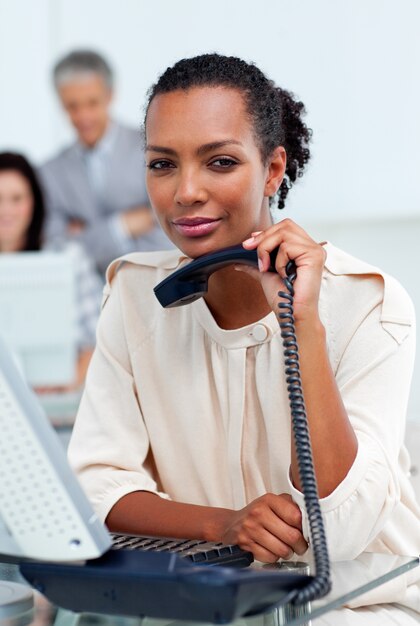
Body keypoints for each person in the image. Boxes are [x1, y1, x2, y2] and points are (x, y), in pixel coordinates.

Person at [68, 54, 420, 623]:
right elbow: (94, 490)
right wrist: (222, 524)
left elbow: (339, 529)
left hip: (355, 605)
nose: (186, 192)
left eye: (221, 162)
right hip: (209, 603)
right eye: (162, 164)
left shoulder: (369, 304)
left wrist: (303, 324)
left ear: (273, 170)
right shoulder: (134, 296)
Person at [38, 50, 173, 276]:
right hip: (86, 299)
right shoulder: (50, 172)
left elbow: (170, 229)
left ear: (110, 95)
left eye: (92, 103)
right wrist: (123, 226)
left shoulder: (152, 148)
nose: (83, 116)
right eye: (72, 106)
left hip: (151, 284)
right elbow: (56, 248)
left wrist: (85, 235)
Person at [0, 151, 102, 390]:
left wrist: (64, 391)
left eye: (16, 199)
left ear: (34, 202)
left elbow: (99, 339)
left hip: (62, 402)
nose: (6, 211)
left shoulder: (69, 258)